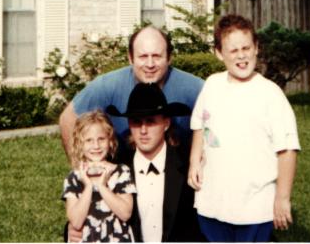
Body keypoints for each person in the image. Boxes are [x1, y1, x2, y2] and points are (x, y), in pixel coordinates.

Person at [187, 14, 300, 242]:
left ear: (256, 48)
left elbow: (287, 150)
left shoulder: (270, 94)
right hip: (212, 200)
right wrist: (194, 161)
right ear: (219, 53)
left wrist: (282, 198)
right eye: (233, 50)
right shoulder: (212, 85)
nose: (241, 55)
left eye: (246, 48)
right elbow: (199, 124)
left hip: (254, 206)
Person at [59, 26, 204, 161]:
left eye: (157, 56)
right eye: (143, 56)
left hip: (179, 168)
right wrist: (80, 167)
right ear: (130, 58)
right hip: (121, 167)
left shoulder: (194, 88)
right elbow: (68, 118)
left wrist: (198, 163)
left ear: (169, 57)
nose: (150, 64)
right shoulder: (108, 86)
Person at [106, 82, 204, 242]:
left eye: (150, 121)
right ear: (129, 124)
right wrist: (72, 230)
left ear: (166, 123)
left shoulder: (187, 165)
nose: (143, 130)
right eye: (136, 122)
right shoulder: (116, 168)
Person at [62, 111, 137, 242]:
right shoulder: (74, 178)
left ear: (110, 141)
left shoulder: (121, 172)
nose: (96, 146)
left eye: (101, 139)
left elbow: (125, 214)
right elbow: (76, 222)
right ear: (79, 144)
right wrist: (88, 186)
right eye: (89, 140)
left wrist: (102, 186)